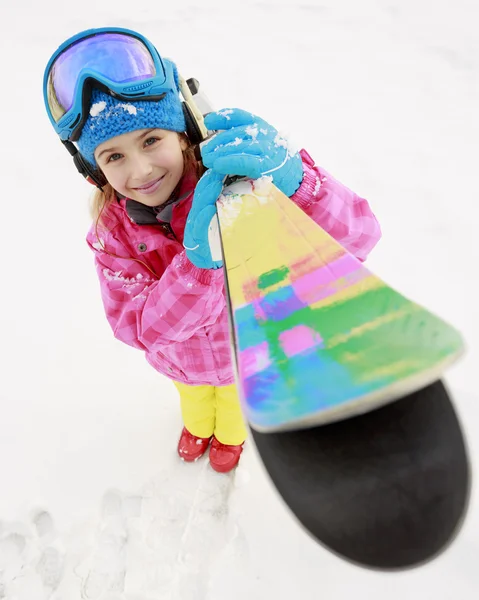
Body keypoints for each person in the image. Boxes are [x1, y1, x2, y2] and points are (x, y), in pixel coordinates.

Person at [43, 27, 382, 474]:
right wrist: (198, 268)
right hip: (184, 366)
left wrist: (299, 185)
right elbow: (138, 328)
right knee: (197, 404)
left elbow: (358, 239)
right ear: (95, 170)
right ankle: (199, 429)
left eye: (150, 140)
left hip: (249, 361)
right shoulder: (114, 234)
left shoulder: (240, 184)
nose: (141, 169)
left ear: (182, 131)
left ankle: (231, 440)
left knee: (235, 413)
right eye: (113, 156)